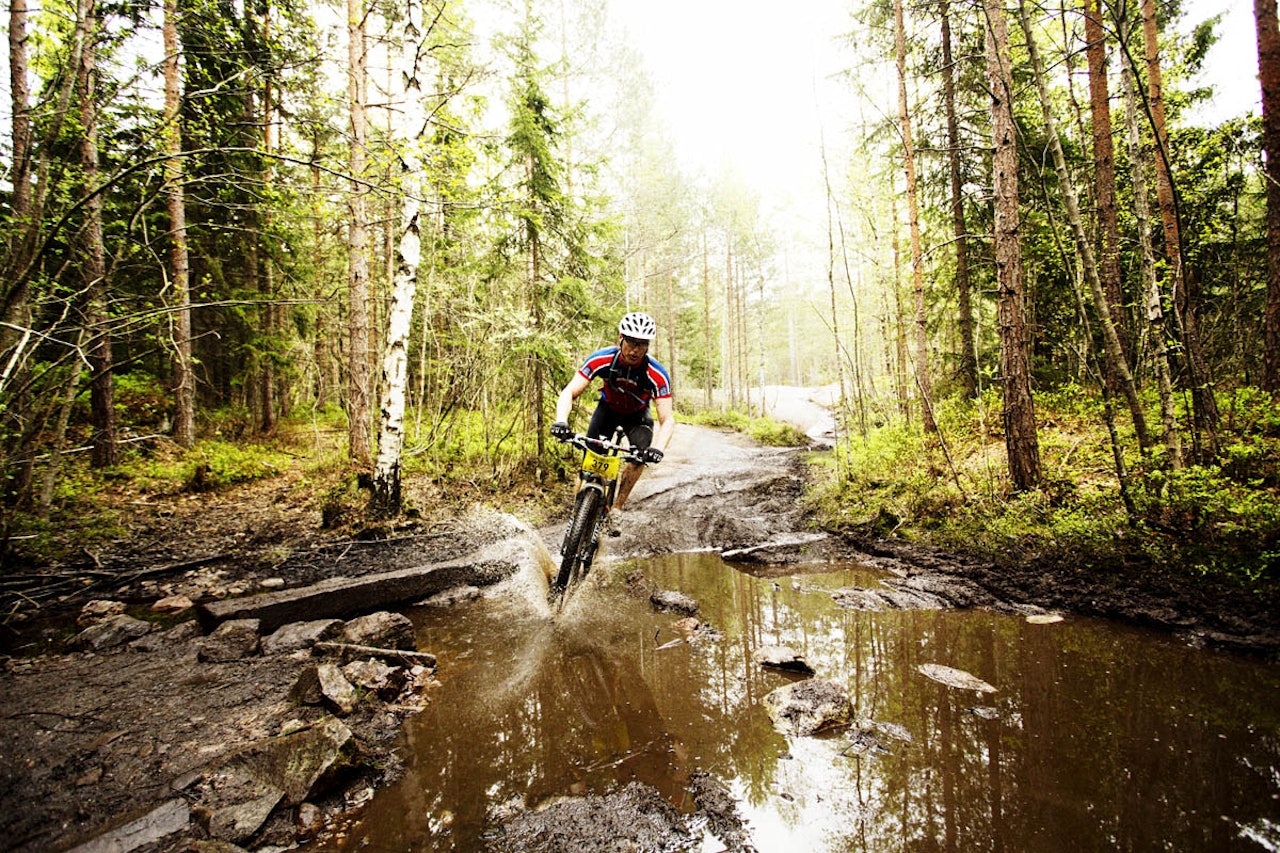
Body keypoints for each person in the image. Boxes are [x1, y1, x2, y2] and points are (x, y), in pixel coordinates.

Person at [551, 311, 675, 533]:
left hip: (637, 416)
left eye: (642, 344)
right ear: (620, 338)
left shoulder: (656, 373)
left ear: (648, 346)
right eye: (631, 342)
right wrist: (561, 421)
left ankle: (616, 509)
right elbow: (569, 391)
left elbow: (667, 420)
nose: (635, 350)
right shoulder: (602, 359)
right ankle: (577, 514)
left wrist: (658, 449)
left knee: (638, 457)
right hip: (607, 411)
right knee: (588, 463)